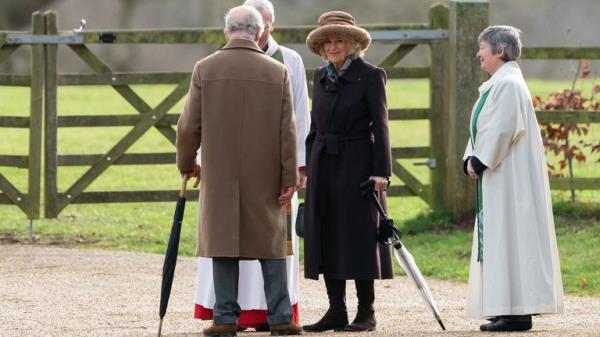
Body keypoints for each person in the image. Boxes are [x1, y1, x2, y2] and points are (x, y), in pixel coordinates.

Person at [176, 5, 302, 336]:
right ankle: (281, 318)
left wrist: (187, 164)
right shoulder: (278, 72)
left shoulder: (205, 68)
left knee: (223, 240)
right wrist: (289, 177)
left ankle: (225, 318)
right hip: (266, 172)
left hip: (220, 171)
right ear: (259, 32)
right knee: (271, 243)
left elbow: (188, 127)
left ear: (226, 31)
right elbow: (286, 131)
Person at [463, 25, 564, 332]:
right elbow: (484, 127)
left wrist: (480, 160)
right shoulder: (500, 83)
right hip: (501, 175)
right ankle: (507, 306)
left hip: (509, 178)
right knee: (502, 239)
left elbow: (503, 127)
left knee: (510, 237)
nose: (478, 54)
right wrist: (471, 155)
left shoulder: (508, 85)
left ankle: (517, 312)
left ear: (500, 51)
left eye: (482, 48)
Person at [302, 11, 393, 333]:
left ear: (353, 44)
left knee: (359, 236)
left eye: (339, 40)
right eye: (327, 41)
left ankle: (366, 312)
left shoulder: (370, 75)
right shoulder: (320, 76)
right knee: (327, 234)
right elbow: (315, 126)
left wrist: (382, 172)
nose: (333, 46)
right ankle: (336, 310)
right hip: (323, 164)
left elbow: (381, 127)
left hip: (358, 164)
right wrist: (307, 165)